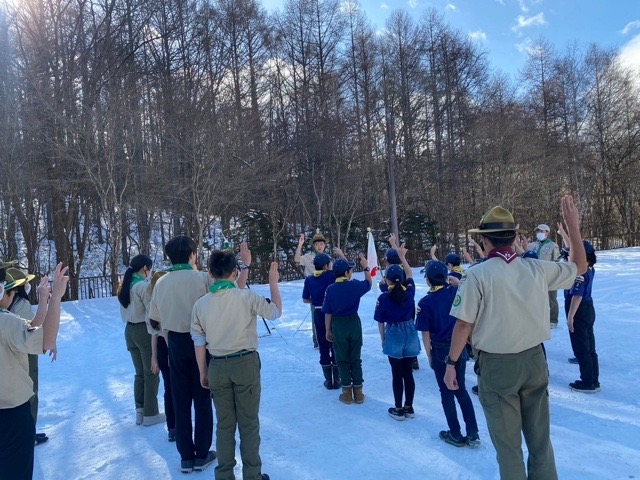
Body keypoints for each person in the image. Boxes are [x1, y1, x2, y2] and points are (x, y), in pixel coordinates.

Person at [444, 196, 587, 480]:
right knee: (540, 443)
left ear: (485, 241)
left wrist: (451, 363)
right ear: (514, 238)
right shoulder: (535, 268)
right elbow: (579, 268)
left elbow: (463, 325)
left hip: (498, 366)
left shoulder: (477, 275)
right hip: (534, 360)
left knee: (508, 448)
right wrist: (573, 228)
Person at [192, 244, 281, 480]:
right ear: (234, 272)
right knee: (249, 424)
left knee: (224, 425)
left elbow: (198, 342)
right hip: (245, 364)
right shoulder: (247, 297)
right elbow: (276, 313)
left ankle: (224, 475)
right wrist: (273, 282)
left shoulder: (200, 304)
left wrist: (203, 372)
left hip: (217, 366)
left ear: (210, 273)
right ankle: (252, 475)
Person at [150, 236, 237, 473]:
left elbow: (154, 320)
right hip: (201, 341)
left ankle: (185, 456)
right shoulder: (201, 278)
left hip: (175, 342)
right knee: (202, 394)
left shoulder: (161, 283)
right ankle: (202, 452)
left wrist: (167, 340)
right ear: (191, 255)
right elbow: (222, 299)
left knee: (180, 397)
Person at [0, 261, 68, 480]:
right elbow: (45, 340)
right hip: (10, 415)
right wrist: (55, 297)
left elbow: (32, 328)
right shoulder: (4, 322)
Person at [416, 261, 479, 446]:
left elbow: (425, 333)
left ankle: (455, 433)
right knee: (461, 390)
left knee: (446, 392)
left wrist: (429, 355)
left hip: (441, 349)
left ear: (427, 280)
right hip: (460, 346)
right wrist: (457, 284)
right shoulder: (456, 293)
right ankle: (473, 432)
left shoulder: (425, 302)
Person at [373, 244, 420, 421]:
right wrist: (403, 258)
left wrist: (383, 339)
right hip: (410, 331)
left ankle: (398, 408)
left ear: (388, 281)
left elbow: (380, 322)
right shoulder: (410, 293)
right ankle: (409, 407)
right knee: (408, 372)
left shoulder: (384, 297)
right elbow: (410, 274)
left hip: (394, 332)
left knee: (396, 374)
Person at [117, 254, 164, 427]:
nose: (149, 272)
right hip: (143, 331)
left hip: (129, 331)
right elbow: (152, 312)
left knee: (139, 373)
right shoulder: (142, 287)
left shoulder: (125, 285)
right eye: (149, 269)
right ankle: (151, 413)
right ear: (144, 268)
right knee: (151, 372)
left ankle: (140, 410)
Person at [6, 267, 49, 446]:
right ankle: (28, 434)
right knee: (31, 392)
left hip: (13, 353)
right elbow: (33, 327)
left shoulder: (10, 305)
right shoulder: (21, 305)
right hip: (27, 352)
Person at [323, 255, 372, 404]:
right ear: (346, 273)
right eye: (350, 270)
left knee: (342, 359)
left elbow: (328, 312)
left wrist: (328, 330)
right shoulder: (355, 285)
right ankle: (359, 392)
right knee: (355, 358)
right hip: (353, 323)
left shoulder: (330, 289)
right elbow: (369, 284)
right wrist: (366, 268)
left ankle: (346, 392)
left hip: (338, 325)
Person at [557, 224, 600, 392]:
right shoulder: (589, 267)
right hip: (589, 308)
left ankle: (587, 381)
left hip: (579, 309)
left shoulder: (579, 274)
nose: (569, 258)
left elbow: (577, 295)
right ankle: (593, 379)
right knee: (590, 347)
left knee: (582, 347)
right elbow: (574, 248)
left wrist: (570, 318)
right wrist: (565, 234)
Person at [295, 230, 344, 349]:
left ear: (325, 245)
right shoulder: (308, 257)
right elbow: (297, 260)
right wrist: (300, 244)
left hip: (329, 290)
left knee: (331, 314)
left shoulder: (328, 258)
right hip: (315, 288)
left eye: (321, 244)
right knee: (316, 315)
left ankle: (331, 336)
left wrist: (341, 255)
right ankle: (317, 339)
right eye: (317, 244)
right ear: (314, 246)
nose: (319, 246)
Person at [146, 270, 176, 441]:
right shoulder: (162, 302)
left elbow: (153, 333)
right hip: (170, 346)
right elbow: (160, 331)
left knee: (169, 388)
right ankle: (175, 426)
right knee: (174, 388)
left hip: (163, 348)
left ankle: (173, 426)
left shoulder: (152, 303)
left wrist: (154, 356)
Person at [302, 253, 339, 389]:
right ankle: (338, 378)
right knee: (335, 343)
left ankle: (328, 380)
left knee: (323, 344)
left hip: (318, 312)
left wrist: (316, 301)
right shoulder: (331, 275)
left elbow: (305, 299)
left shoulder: (309, 279)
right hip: (333, 312)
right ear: (326, 265)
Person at [525, 224, 561, 329]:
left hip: (549, 275)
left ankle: (553, 320)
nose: (539, 233)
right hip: (535, 275)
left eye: (542, 231)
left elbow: (557, 261)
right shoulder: (532, 245)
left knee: (551, 298)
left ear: (547, 233)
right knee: (536, 298)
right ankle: (538, 318)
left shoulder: (552, 245)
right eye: (538, 231)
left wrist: (555, 276)